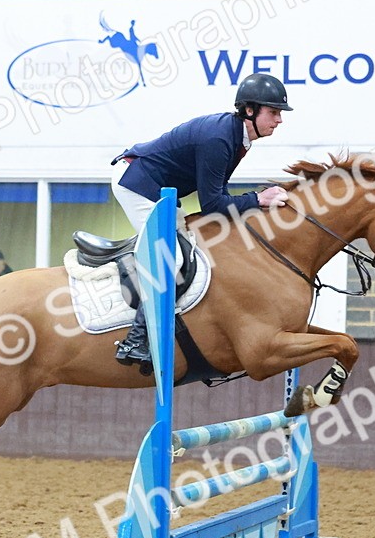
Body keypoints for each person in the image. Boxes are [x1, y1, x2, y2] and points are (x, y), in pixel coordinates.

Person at [110, 72, 292, 371]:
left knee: (189, 243)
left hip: (157, 189)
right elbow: (213, 204)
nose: (279, 120)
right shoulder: (221, 138)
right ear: (250, 110)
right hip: (136, 183)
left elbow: (216, 197)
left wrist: (253, 200)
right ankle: (137, 339)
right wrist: (258, 199)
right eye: (273, 112)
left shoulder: (238, 136)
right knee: (174, 254)